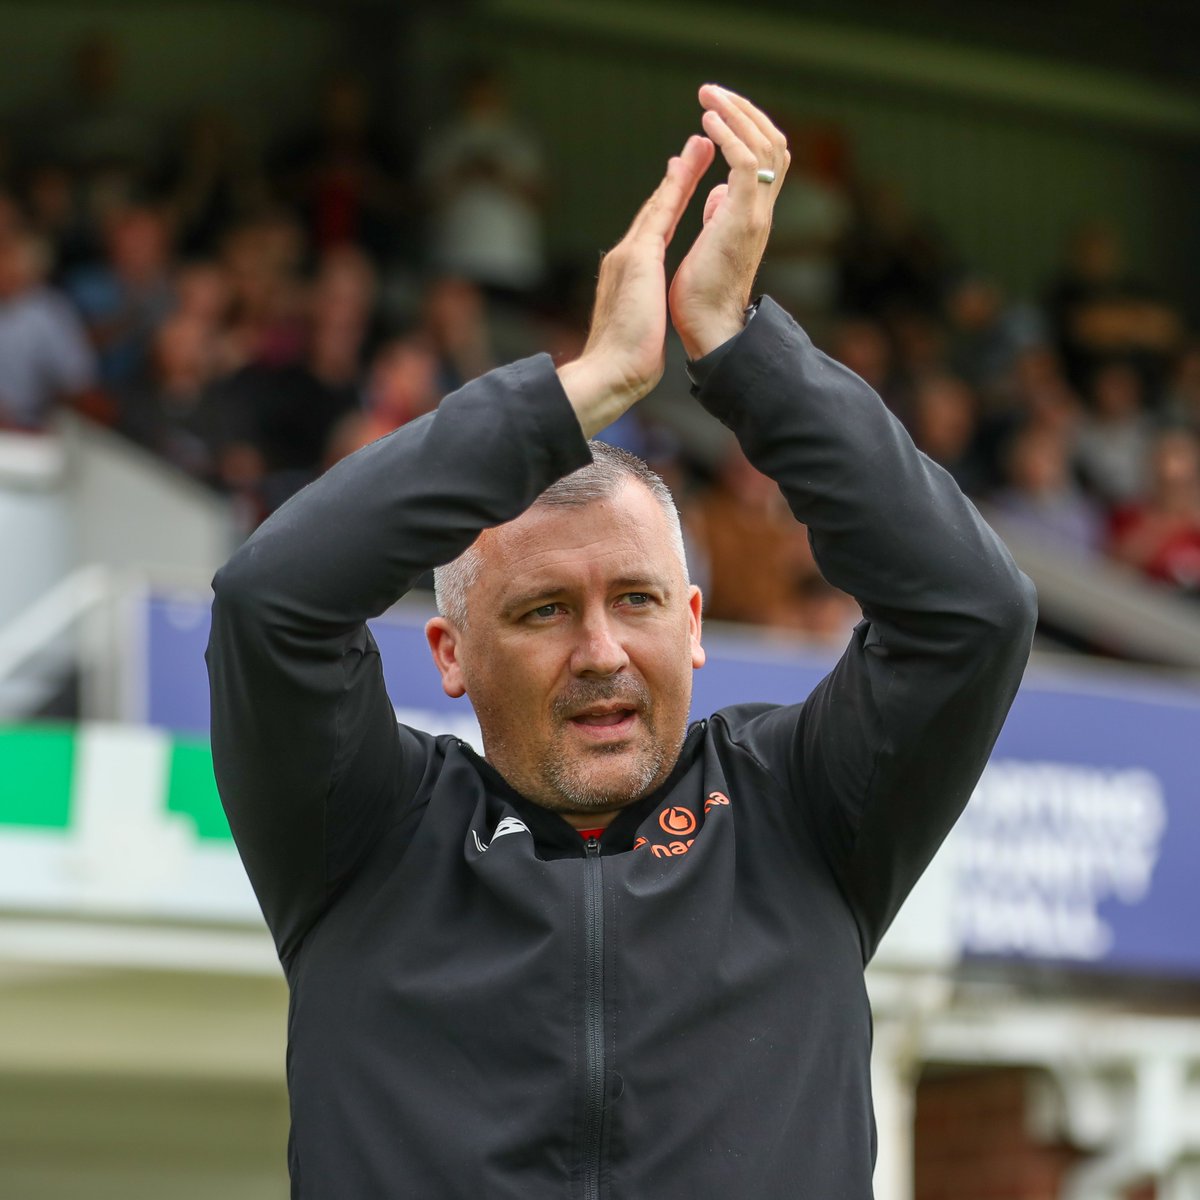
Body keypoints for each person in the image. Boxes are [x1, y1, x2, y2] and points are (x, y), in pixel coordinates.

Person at [207, 86, 1036, 1199]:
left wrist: (739, 350)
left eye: (638, 601)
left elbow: (971, 615)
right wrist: (585, 388)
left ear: (692, 626)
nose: (601, 650)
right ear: (448, 653)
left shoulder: (805, 814)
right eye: (545, 610)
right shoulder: (363, 836)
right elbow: (273, 605)